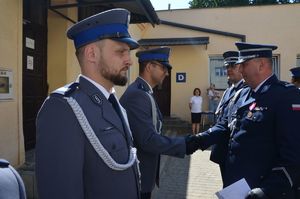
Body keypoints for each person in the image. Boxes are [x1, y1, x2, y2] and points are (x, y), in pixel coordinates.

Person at [36, 9, 141, 199]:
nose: (130, 61)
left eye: (129, 53)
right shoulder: (63, 109)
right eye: (120, 52)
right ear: (92, 54)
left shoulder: (114, 103)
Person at [197, 42, 300, 199]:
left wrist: (268, 190)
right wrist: (196, 141)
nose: (240, 70)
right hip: (235, 186)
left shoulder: (285, 96)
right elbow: (226, 127)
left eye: (244, 64)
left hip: (263, 189)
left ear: (261, 65)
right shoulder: (242, 94)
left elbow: (293, 154)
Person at [120, 47, 200, 199]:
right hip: (138, 176)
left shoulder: (145, 92)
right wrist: (185, 143)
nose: (167, 73)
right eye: (164, 67)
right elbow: (148, 140)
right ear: (150, 67)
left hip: (144, 174)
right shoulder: (138, 95)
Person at [210, 50, 245, 183]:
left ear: (242, 67)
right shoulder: (229, 90)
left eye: (233, 66)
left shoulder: (246, 90)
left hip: (235, 154)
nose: (229, 69)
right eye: (227, 66)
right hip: (224, 151)